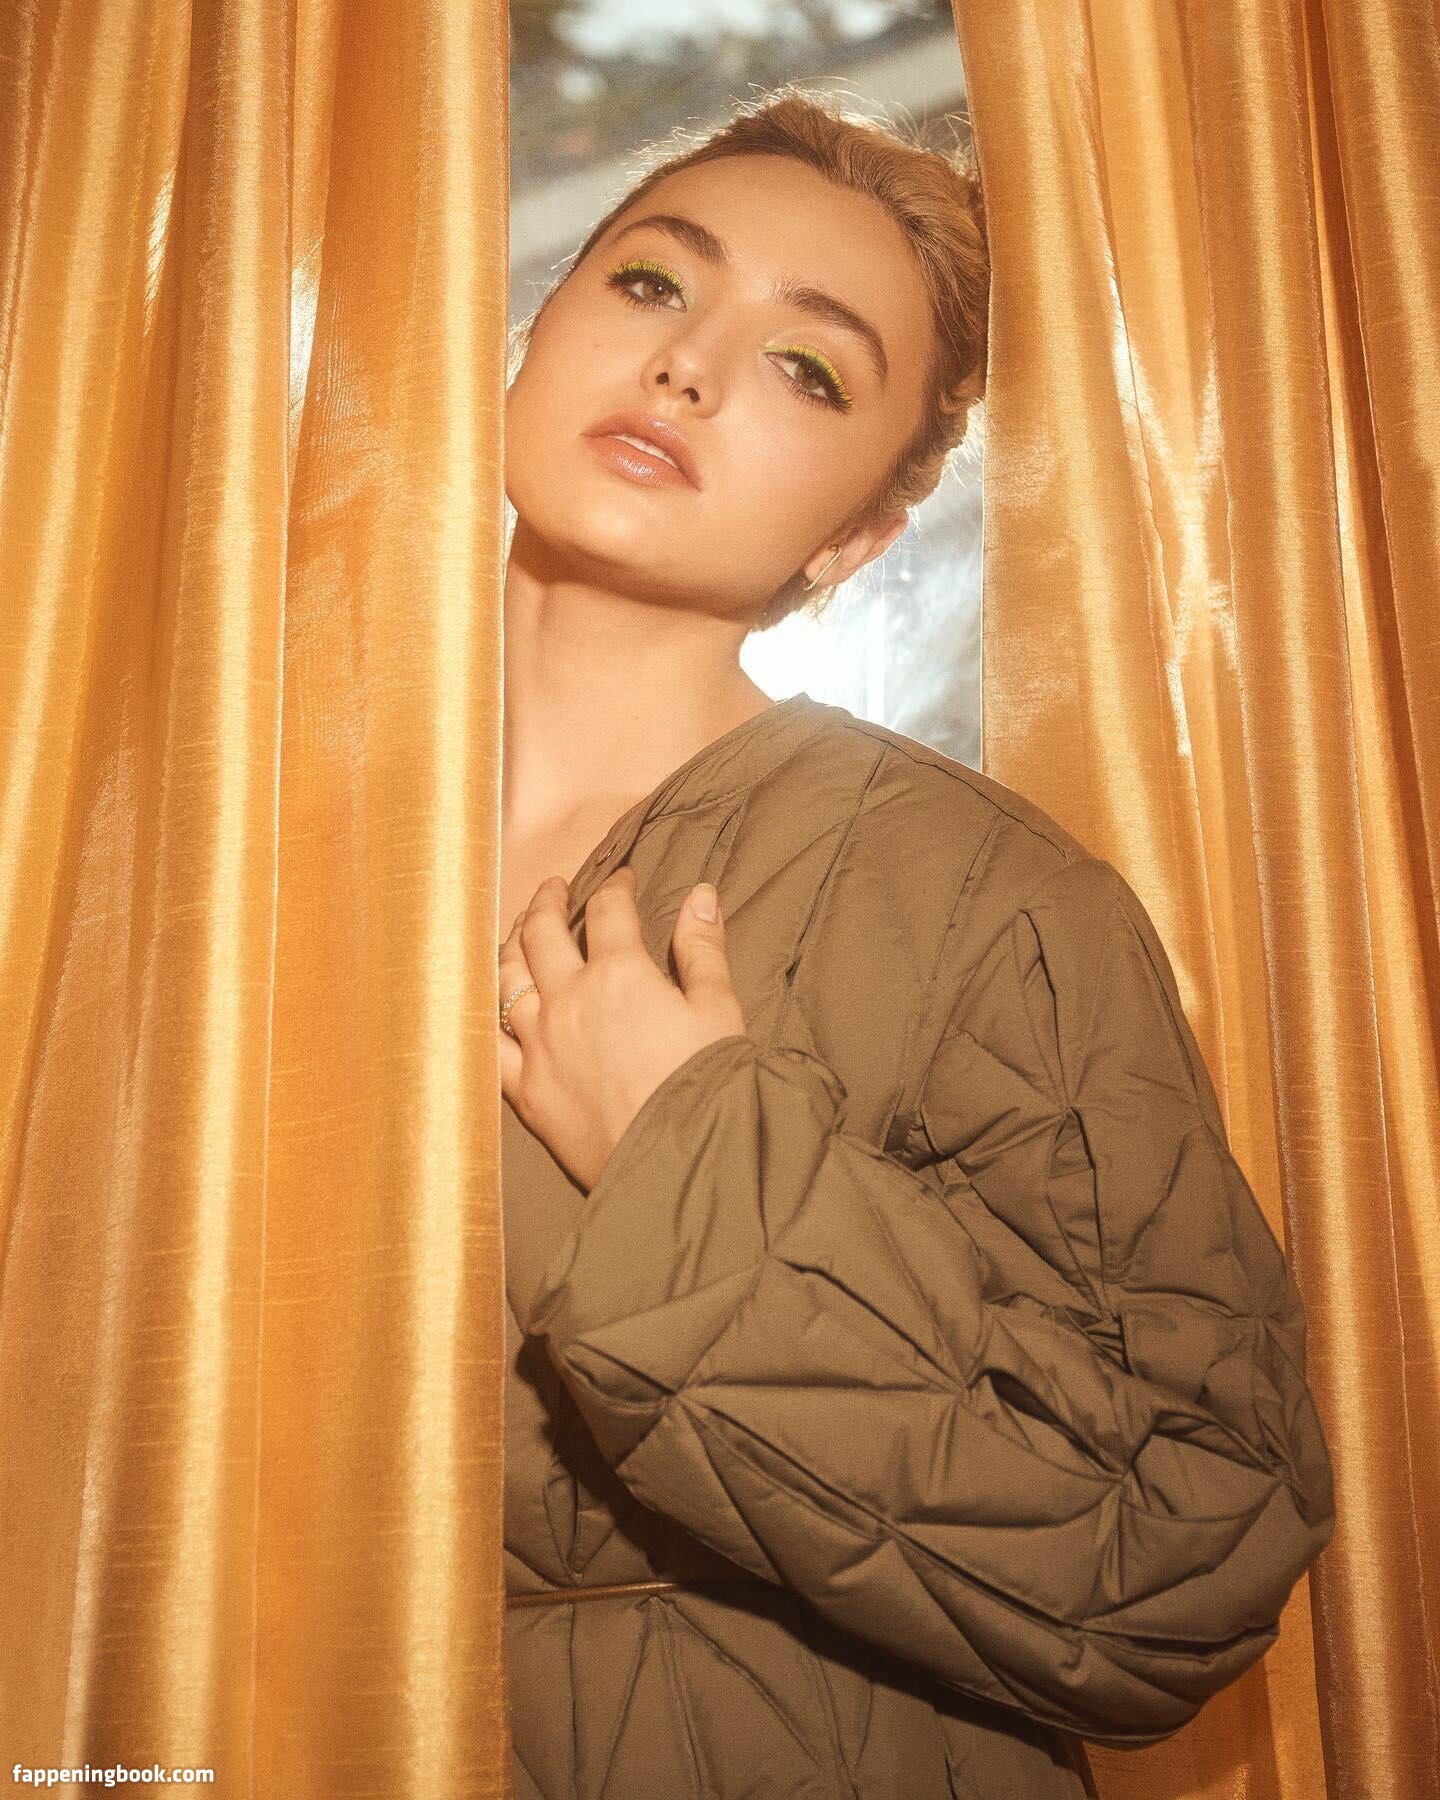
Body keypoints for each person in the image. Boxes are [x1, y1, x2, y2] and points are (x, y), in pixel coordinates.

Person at [496, 87, 1335, 1800]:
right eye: (652, 282)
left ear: (859, 538)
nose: (687, 368)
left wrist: (691, 1170)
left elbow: (1193, 1548)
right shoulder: (216, 834)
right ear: (531, 335)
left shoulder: (982, 900)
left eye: (810, 367)